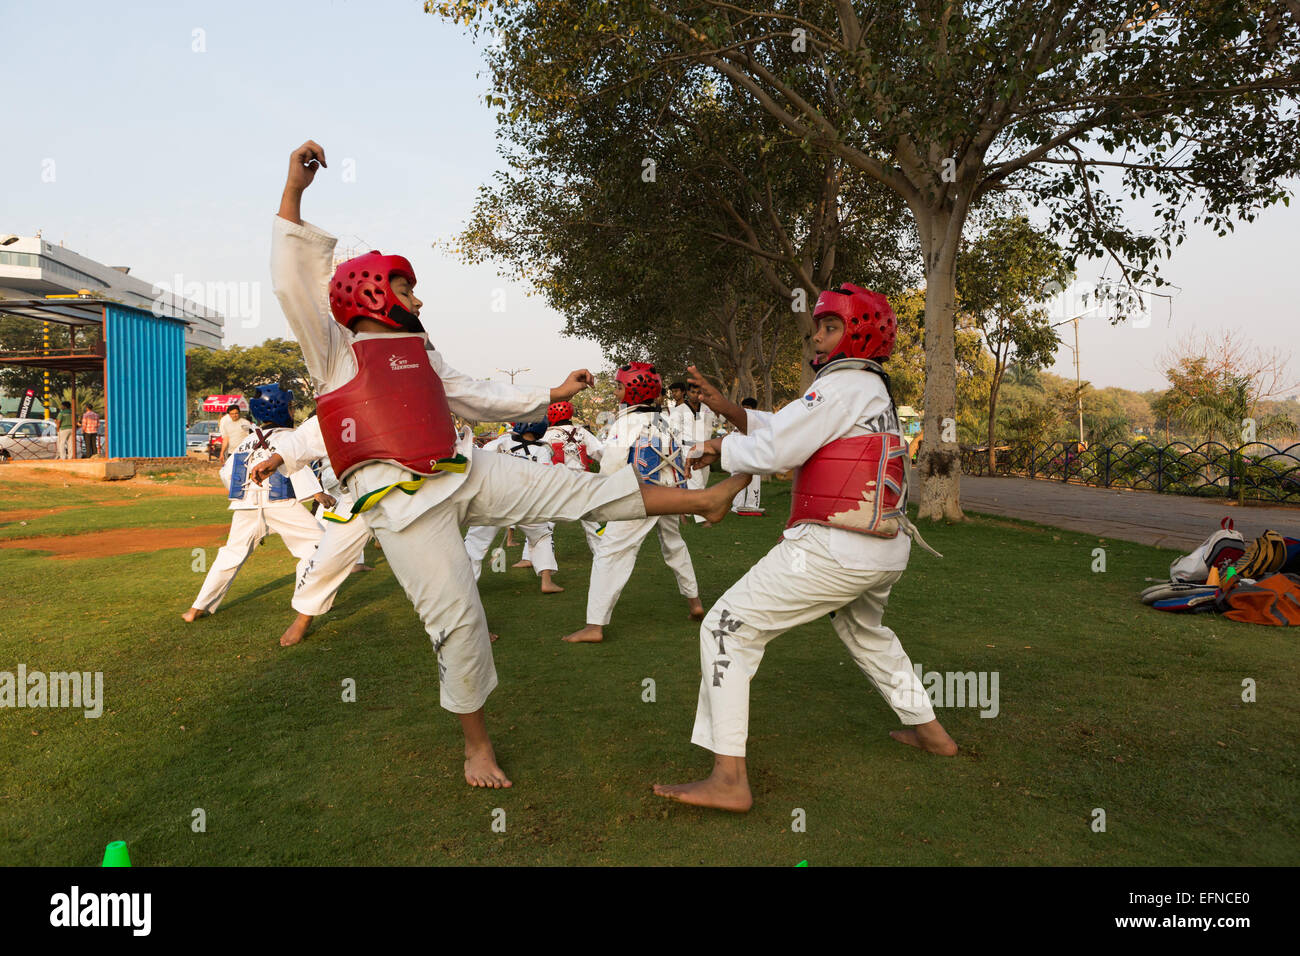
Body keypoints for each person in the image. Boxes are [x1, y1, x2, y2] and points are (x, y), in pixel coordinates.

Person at [270, 140, 749, 789]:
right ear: (374, 292)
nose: (417, 301)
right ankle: (476, 748)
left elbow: (476, 395)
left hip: (463, 467)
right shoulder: (332, 352)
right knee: (458, 624)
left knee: (580, 489)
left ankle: (702, 501)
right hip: (402, 506)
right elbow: (292, 279)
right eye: (407, 289)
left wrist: (555, 393)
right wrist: (295, 192)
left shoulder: (421, 352)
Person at [653, 284, 956, 813]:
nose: (816, 336)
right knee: (865, 631)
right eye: (817, 326)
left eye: (830, 326)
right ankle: (931, 733)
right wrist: (728, 409)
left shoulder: (842, 386)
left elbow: (779, 448)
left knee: (727, 627)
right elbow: (786, 429)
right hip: (882, 549)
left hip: (835, 549)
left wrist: (717, 446)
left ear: (859, 333)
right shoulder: (869, 390)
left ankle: (728, 778)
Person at [561, 362, 705, 644]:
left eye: (619, 386)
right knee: (674, 545)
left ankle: (594, 626)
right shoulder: (666, 420)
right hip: (670, 494)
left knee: (610, 553)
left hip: (641, 496)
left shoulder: (626, 422)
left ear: (633, 391)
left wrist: (603, 492)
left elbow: (613, 462)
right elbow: (681, 457)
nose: (616, 391)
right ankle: (694, 601)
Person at [182, 384, 329, 623]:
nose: (292, 411)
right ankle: (306, 601)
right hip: (281, 503)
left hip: (246, 506)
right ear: (279, 409)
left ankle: (197, 608)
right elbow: (295, 464)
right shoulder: (290, 437)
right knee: (319, 547)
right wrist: (316, 494)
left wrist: (244, 496)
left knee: (230, 556)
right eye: (290, 406)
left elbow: (226, 475)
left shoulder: (246, 441)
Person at [249, 414, 377, 647]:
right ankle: (304, 617)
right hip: (357, 487)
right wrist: (277, 459)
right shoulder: (345, 394)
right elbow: (316, 429)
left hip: (412, 478)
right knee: (327, 556)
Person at [463, 421, 565, 594]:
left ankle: (463, 586)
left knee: (475, 543)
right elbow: (545, 478)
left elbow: (478, 455)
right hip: (524, 502)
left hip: (493, 499)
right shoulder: (542, 450)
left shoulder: (503, 441)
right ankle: (546, 582)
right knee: (541, 537)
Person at [541, 401, 605, 553]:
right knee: (591, 519)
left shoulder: (547, 434)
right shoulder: (583, 432)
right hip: (582, 481)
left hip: (558, 482)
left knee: (547, 521)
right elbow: (601, 453)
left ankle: (538, 555)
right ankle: (603, 552)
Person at [669, 380, 721, 523]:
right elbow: (673, 430)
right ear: (687, 392)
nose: (696, 395)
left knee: (703, 480)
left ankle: (684, 511)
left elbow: (719, 420)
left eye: (699, 393)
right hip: (688, 448)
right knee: (696, 481)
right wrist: (681, 446)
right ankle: (703, 518)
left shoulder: (706, 408)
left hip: (706, 447)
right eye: (693, 392)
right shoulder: (679, 410)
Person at [729, 398, 764, 515]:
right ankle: (737, 506)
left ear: (754, 409)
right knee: (737, 479)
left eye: (748, 408)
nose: (745, 410)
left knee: (754, 481)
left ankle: (752, 505)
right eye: (743, 407)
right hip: (740, 456)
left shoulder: (759, 421)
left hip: (755, 456)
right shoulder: (738, 421)